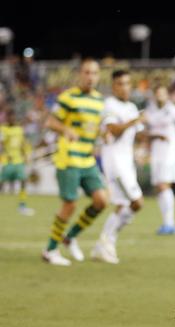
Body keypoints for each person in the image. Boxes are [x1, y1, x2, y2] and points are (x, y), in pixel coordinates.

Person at [42, 58, 108, 266]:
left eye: (94, 73)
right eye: (87, 72)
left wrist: (103, 136)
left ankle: (69, 237)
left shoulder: (99, 101)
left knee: (101, 201)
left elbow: (94, 128)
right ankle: (50, 250)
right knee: (70, 204)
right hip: (68, 157)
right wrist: (65, 129)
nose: (90, 77)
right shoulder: (67, 98)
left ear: (98, 76)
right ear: (80, 74)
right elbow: (50, 122)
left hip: (87, 159)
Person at [91, 69, 146, 264]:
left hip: (126, 162)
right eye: (121, 84)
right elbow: (113, 130)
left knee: (124, 204)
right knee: (136, 202)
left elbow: (137, 133)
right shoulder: (109, 105)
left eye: (128, 83)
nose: (125, 87)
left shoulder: (131, 106)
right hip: (115, 162)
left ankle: (104, 245)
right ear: (114, 86)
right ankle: (105, 242)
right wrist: (133, 121)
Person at [143, 85, 175, 235]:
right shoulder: (150, 111)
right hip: (156, 154)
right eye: (157, 93)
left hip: (170, 153)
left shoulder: (173, 110)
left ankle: (170, 224)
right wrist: (145, 151)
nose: (160, 96)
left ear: (167, 95)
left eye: (163, 93)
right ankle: (167, 222)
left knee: (163, 185)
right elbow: (147, 133)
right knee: (159, 187)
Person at [0, 109, 35, 216]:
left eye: (13, 117)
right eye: (9, 117)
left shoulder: (19, 130)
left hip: (19, 161)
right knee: (1, 184)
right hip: (7, 161)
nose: (11, 119)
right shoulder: (3, 129)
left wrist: (27, 155)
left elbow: (24, 144)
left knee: (23, 181)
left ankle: (22, 206)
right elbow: (1, 144)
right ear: (7, 118)